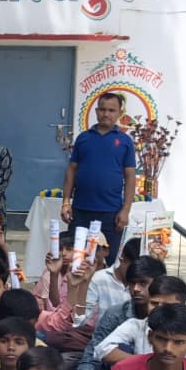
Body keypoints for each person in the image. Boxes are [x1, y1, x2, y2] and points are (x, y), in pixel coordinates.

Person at [62, 91, 136, 263]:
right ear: (96, 111)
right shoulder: (83, 138)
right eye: (102, 109)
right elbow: (71, 170)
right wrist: (66, 202)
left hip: (111, 213)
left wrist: (125, 210)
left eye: (111, 110)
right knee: (76, 260)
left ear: (119, 113)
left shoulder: (125, 141)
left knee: (107, 261)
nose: (106, 114)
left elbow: (130, 177)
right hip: (80, 211)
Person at [74, 256, 168, 370]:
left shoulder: (173, 315)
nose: (136, 289)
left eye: (143, 283)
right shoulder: (115, 314)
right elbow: (90, 359)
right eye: (132, 283)